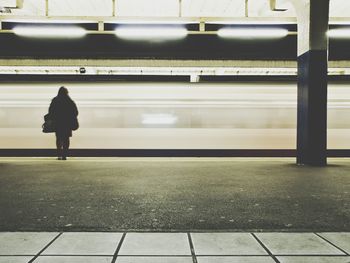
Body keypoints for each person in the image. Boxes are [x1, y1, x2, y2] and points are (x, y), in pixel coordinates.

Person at [48, 86, 78, 160]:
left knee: (59, 139)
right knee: (66, 139)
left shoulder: (55, 100)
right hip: (67, 123)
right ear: (66, 93)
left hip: (58, 123)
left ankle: (59, 155)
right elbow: (75, 112)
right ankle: (64, 155)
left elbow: (50, 111)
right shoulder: (70, 101)